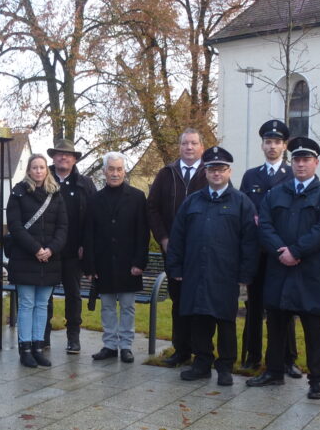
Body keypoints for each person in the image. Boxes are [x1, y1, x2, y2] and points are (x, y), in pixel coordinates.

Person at [250, 137, 320, 398]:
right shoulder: (276, 193)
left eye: (306, 160)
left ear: (316, 163)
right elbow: (264, 225)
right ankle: (274, 371)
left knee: (314, 327)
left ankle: (317, 379)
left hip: (311, 271)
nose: (301, 165)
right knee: (276, 322)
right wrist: (282, 250)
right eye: (297, 160)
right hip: (280, 268)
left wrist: (296, 251)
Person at [166, 146, 259, 386]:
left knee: (225, 321)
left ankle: (226, 366)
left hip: (225, 274)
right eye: (212, 169)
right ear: (205, 172)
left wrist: (246, 274)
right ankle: (202, 363)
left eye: (221, 169)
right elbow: (178, 236)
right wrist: (175, 267)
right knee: (200, 319)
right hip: (196, 271)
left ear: (229, 171)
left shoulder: (242, 203)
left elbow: (250, 241)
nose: (216, 173)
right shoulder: (192, 201)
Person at [239, 119, 302, 377]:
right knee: (253, 306)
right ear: (262, 145)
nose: (272, 146)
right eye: (268, 142)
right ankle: (252, 356)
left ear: (284, 146)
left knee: (283, 307)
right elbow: (244, 211)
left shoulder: (291, 175)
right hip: (257, 252)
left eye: (277, 142)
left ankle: (288, 359)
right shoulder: (251, 176)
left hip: (281, 252)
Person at [147, 127, 208, 366]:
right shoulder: (167, 174)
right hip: (173, 251)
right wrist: (163, 238)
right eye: (185, 143)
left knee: (200, 302)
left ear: (201, 147)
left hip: (202, 252)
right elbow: (152, 208)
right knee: (179, 301)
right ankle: (181, 349)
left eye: (193, 143)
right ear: (179, 147)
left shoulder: (211, 172)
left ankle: (202, 352)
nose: (189, 147)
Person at [82, 152, 148, 363]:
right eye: (111, 169)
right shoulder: (94, 200)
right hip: (103, 263)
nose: (115, 173)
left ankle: (126, 346)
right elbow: (88, 234)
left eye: (119, 169)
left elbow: (143, 232)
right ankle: (110, 345)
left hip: (128, 263)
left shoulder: (137, 197)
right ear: (104, 172)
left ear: (124, 171)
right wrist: (89, 266)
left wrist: (140, 262)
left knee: (127, 306)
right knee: (108, 306)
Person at [6, 154, 67, 367]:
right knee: (26, 304)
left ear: (46, 170)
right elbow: (14, 226)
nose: (39, 171)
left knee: (42, 304)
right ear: (29, 170)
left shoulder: (55, 194)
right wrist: (36, 249)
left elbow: (62, 227)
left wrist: (50, 249)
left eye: (42, 167)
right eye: (35, 167)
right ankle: (25, 350)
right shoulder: (18, 193)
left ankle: (38, 347)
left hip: (49, 259)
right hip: (25, 257)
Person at [44, 139, 96, 353]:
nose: (63, 157)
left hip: (74, 250)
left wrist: (86, 244)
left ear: (75, 159)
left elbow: (93, 218)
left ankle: (73, 337)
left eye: (67, 155)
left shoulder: (85, 184)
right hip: (46, 250)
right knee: (44, 294)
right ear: (53, 157)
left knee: (73, 295)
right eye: (58, 154)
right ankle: (42, 335)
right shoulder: (40, 178)